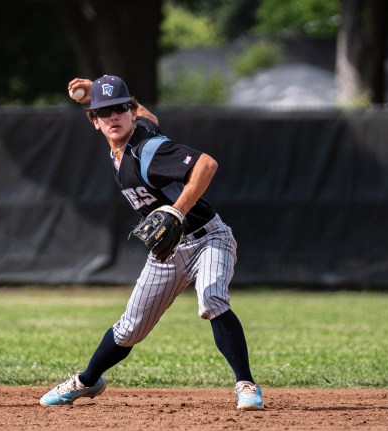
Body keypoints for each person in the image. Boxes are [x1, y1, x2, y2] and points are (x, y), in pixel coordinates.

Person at [39, 75, 264, 411]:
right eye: (104, 112)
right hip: (168, 251)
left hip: (208, 238)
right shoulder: (128, 135)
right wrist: (94, 91)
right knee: (130, 329)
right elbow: (148, 116)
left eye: (119, 109)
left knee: (212, 298)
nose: (113, 117)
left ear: (130, 112)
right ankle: (86, 381)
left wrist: (176, 210)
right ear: (94, 122)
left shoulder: (148, 148)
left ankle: (246, 385)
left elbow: (207, 164)